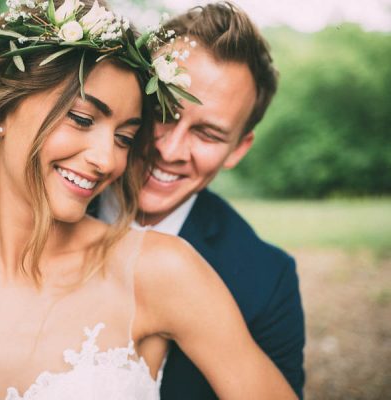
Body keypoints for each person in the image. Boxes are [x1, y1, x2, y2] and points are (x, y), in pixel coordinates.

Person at [0, 1, 298, 399]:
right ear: (1, 110)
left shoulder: (169, 270)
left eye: (125, 136)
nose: (108, 159)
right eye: (82, 118)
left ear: (239, 148)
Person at [98, 2, 305, 399]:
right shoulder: (45, 209)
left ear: (238, 150)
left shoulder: (266, 280)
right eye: (164, 110)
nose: (170, 149)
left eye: (207, 134)